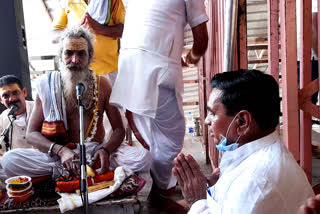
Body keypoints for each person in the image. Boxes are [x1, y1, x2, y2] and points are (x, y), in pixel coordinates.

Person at [1, 27, 151, 180]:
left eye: (81, 54)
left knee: (143, 158)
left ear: (90, 56)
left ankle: (67, 173)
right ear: (61, 56)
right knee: (10, 160)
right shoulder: (47, 85)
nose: (74, 60)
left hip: (94, 153)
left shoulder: (102, 85)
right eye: (69, 53)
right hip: (58, 155)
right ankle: (68, 170)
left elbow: (119, 129)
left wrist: (105, 151)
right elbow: (32, 134)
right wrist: (60, 151)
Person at [173, 69, 315, 213]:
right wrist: (217, 189)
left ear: (242, 122)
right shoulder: (254, 150)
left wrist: (197, 200)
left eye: (213, 114)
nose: (206, 121)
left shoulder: (256, 181)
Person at [109, 0, 209, 204]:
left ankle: (159, 190)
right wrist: (191, 58)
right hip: (157, 66)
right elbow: (202, 40)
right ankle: (163, 196)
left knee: (151, 136)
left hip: (128, 64)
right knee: (171, 140)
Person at [52, 0, 125, 84]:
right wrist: (77, 29)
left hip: (109, 71)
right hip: (78, 71)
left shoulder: (112, 1)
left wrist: (99, 28)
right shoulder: (67, 1)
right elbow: (53, 36)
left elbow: (124, 30)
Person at [0, 75, 34, 166]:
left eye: (15, 93)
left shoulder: (38, 109)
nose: (12, 99)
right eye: (5, 96)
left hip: (41, 160)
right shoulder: (2, 119)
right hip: (16, 166)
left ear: (24, 92)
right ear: (1, 100)